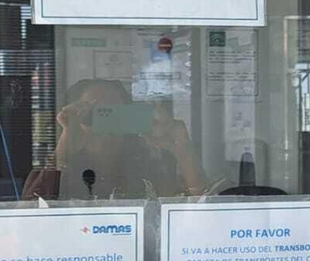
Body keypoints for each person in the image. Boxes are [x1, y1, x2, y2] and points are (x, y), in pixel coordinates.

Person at [22, 78, 207, 200]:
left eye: (114, 112)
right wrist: (65, 148)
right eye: (92, 114)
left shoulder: (148, 166)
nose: (105, 121)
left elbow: (198, 211)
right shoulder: (59, 167)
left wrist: (184, 153)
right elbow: (27, 219)